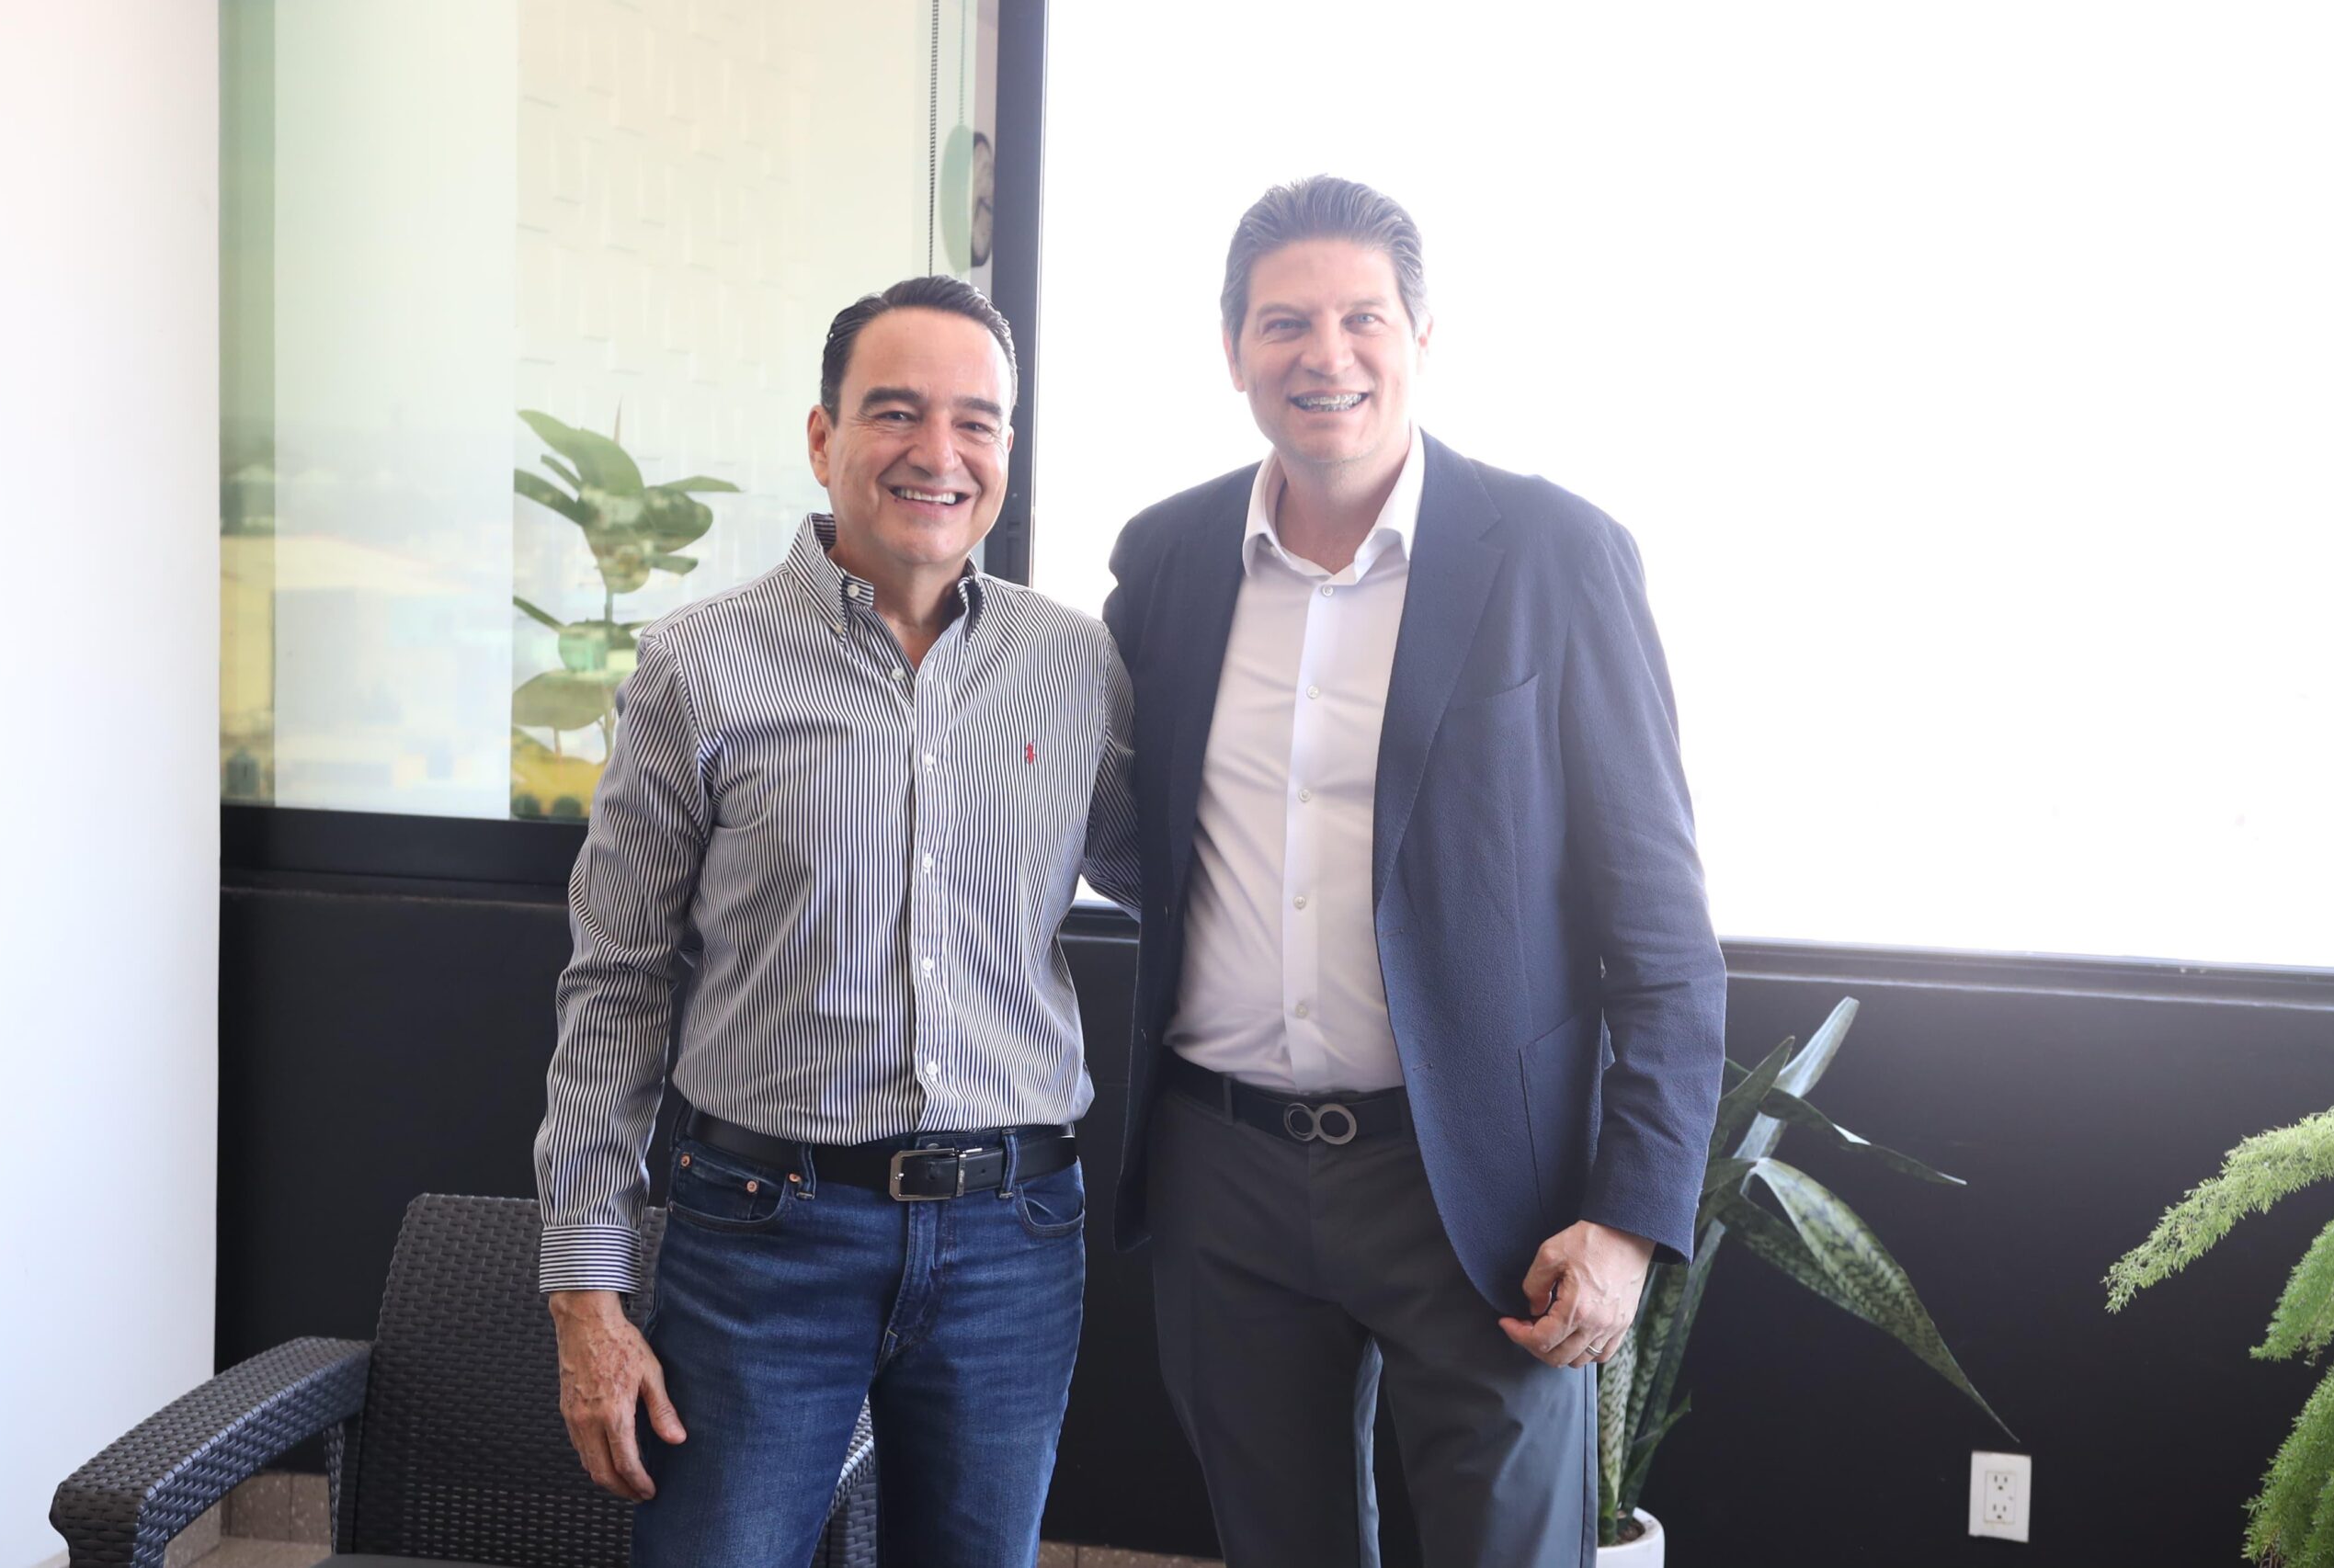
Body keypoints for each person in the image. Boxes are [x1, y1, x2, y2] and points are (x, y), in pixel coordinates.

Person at [1101, 176, 1726, 1567]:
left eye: (1361, 318)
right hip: (1224, 1172)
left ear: (1422, 337)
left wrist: (1629, 1221)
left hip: (1478, 1188)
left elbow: (1663, 932)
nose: (1323, 354)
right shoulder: (1168, 557)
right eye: (1283, 322)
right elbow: (1155, 844)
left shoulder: (1557, 553)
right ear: (1233, 350)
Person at [535, 275, 1136, 1568]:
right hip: (766, 1232)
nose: (938, 451)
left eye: (976, 421)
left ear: (1008, 450)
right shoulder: (698, 665)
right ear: (824, 438)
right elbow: (617, 978)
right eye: (896, 412)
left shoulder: (1075, 666)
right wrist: (586, 1291)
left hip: (1014, 1238)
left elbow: (1176, 876)